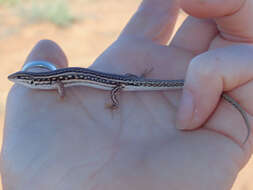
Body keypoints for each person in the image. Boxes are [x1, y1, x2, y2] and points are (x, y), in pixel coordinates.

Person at [2, 0, 253, 189]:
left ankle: (131, 90)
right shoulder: (53, 80)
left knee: (116, 93)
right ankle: (139, 82)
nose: (17, 81)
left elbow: (61, 88)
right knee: (126, 86)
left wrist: (61, 96)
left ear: (31, 79)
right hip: (123, 82)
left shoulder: (53, 81)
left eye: (20, 79)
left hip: (117, 85)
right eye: (19, 79)